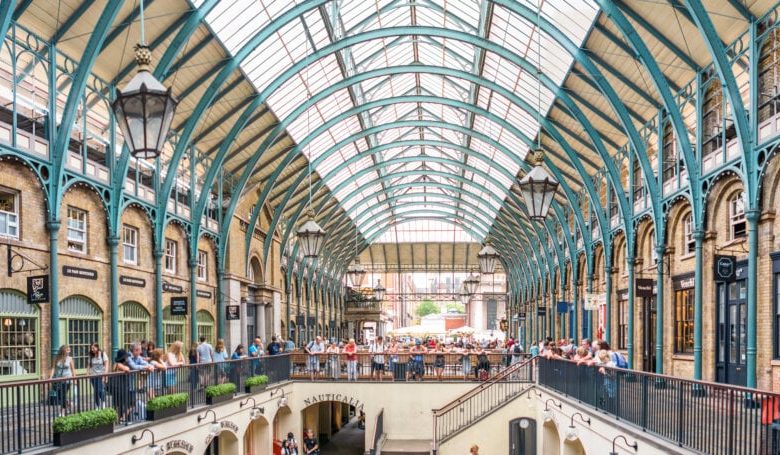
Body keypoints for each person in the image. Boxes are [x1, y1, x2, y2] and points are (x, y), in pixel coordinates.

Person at [49, 345, 75, 414]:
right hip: (58, 380)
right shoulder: (56, 358)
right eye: (67, 350)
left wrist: (74, 379)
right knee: (60, 396)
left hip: (68, 380)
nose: (69, 352)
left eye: (69, 350)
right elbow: (53, 368)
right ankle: (69, 404)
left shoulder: (70, 359)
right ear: (63, 350)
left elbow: (73, 370)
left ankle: (62, 412)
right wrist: (50, 377)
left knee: (63, 395)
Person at [109, 349, 133, 422]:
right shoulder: (119, 364)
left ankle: (119, 419)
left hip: (118, 387)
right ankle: (121, 419)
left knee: (118, 405)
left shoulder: (116, 364)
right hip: (119, 387)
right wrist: (128, 366)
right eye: (126, 357)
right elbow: (127, 369)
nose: (127, 359)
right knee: (129, 403)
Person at [87, 342, 108, 407]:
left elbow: (106, 364)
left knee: (101, 390)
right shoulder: (91, 356)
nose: (92, 349)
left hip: (101, 375)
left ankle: (103, 403)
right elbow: (88, 366)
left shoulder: (102, 354)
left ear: (97, 347)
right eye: (91, 348)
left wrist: (105, 375)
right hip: (93, 376)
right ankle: (97, 405)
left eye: (93, 348)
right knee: (96, 391)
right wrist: (87, 374)